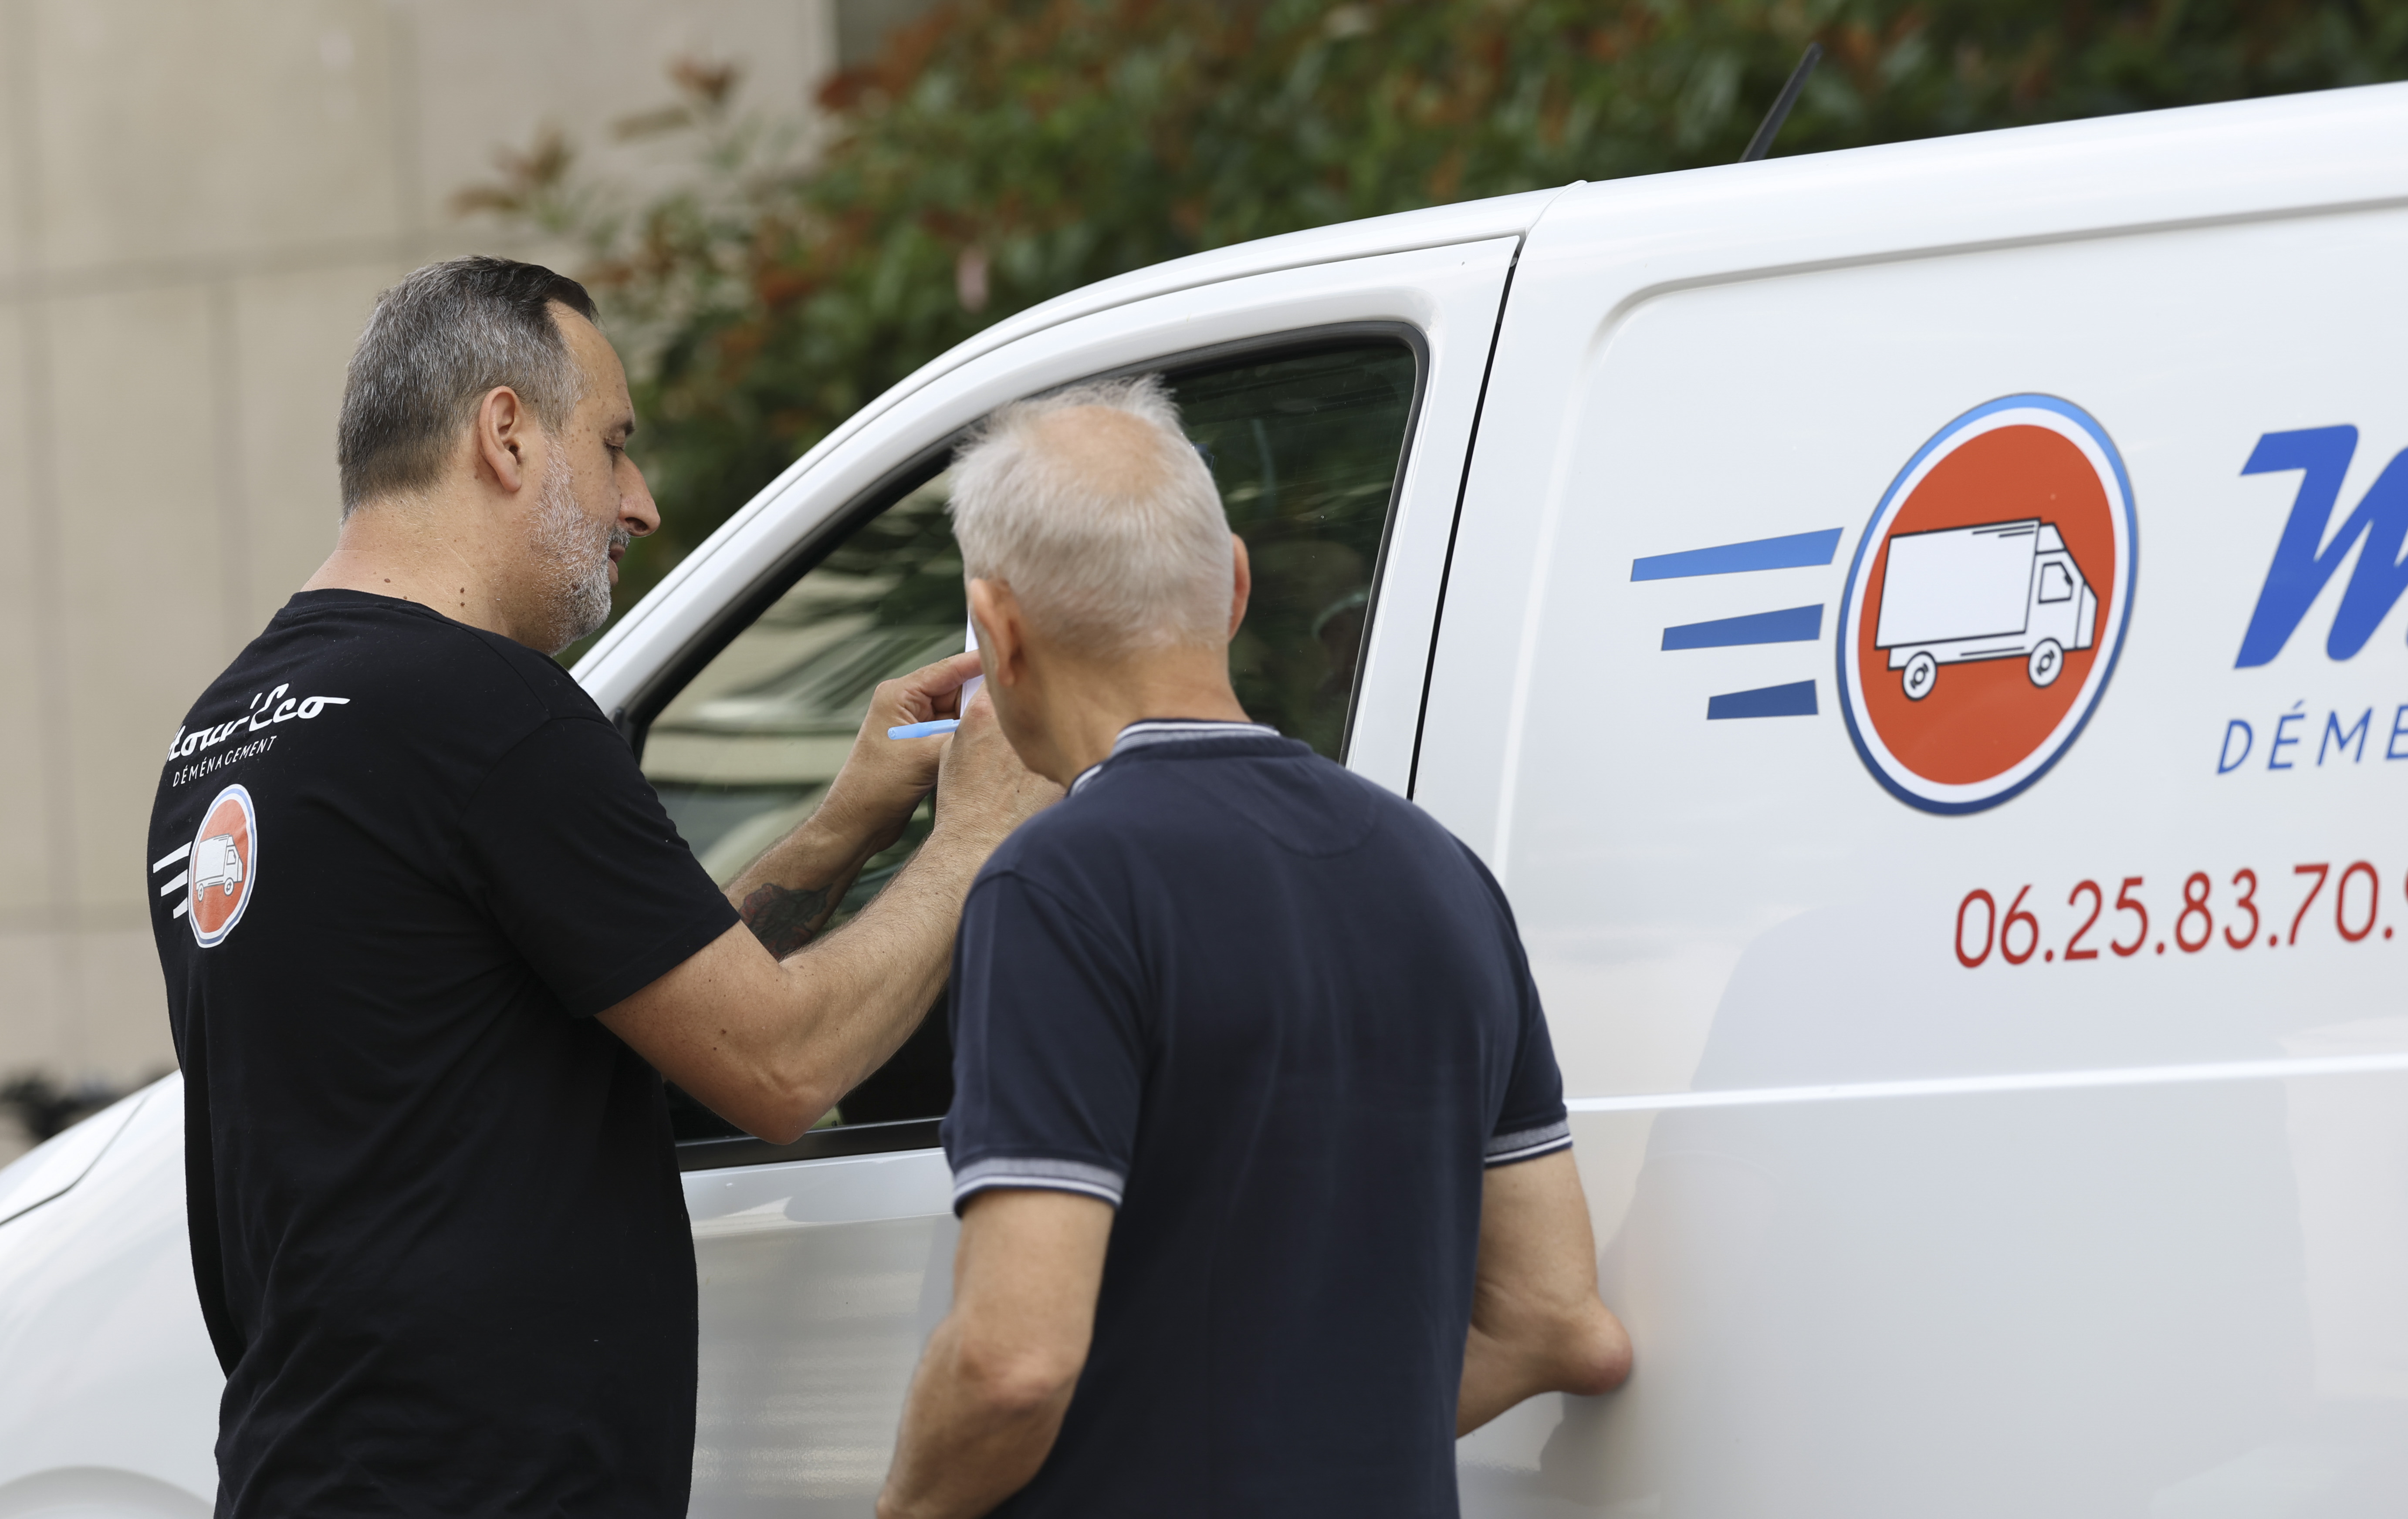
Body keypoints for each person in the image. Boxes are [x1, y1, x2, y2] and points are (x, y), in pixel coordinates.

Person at [144, 257, 1055, 1518]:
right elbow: (780, 1066)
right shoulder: (484, 707)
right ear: (506, 433)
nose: (642, 503)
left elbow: (627, 1010)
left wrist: (841, 830)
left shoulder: (226, 735)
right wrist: (980, 834)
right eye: (616, 444)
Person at [875, 377, 1631, 1519]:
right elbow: (1559, 1323)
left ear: (1000, 630)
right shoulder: (1444, 875)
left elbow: (1012, 1363)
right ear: (1233, 584)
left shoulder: (1057, 884)